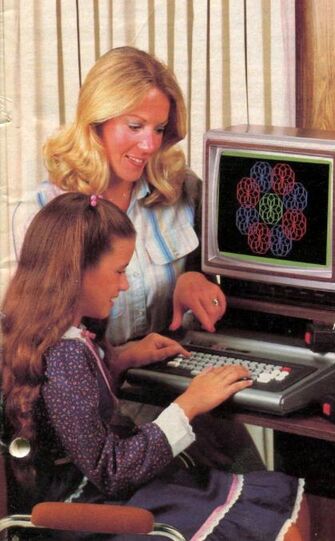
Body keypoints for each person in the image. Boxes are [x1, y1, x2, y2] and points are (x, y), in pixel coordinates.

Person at [1, 193, 309, 540]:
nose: (125, 284)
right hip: (88, 508)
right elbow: (112, 470)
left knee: (276, 505)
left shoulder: (49, 333)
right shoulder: (65, 354)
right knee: (282, 521)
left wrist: (122, 359)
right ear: (77, 271)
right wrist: (189, 404)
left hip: (94, 493)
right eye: (118, 271)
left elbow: (70, 414)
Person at [10, 46, 262, 470]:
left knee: (259, 483)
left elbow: (221, 273)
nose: (149, 144)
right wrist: (121, 358)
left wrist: (194, 280)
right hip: (106, 414)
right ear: (97, 123)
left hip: (181, 383)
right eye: (134, 125)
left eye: (159, 128)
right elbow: (44, 348)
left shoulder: (181, 191)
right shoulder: (45, 212)